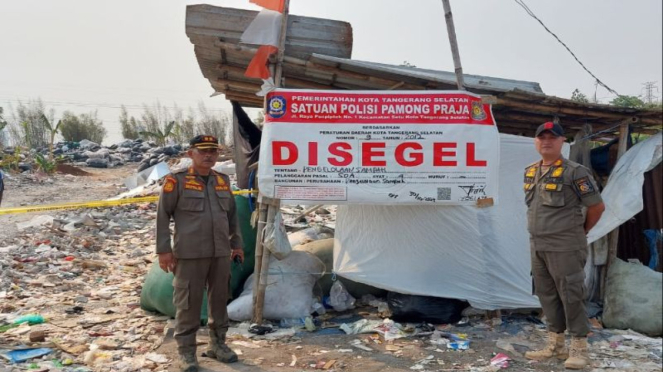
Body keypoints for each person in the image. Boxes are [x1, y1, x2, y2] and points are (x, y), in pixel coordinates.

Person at [156, 135, 244, 372]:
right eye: (203, 151)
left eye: (213, 151)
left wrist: (237, 244)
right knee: (188, 304)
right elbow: (163, 216)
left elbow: (232, 217)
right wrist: (163, 250)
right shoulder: (177, 181)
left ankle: (218, 345)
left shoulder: (223, 181)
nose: (208, 155)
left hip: (220, 252)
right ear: (190, 154)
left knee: (219, 300)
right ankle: (186, 353)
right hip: (190, 253)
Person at [523, 122, 605, 370]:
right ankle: (555, 346)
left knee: (571, 295)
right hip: (538, 244)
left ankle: (579, 348)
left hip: (566, 245)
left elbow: (597, 206)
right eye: (542, 137)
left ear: (562, 142)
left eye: (552, 137)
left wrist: (582, 232)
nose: (546, 141)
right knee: (547, 294)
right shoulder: (530, 171)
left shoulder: (575, 172)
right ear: (536, 142)